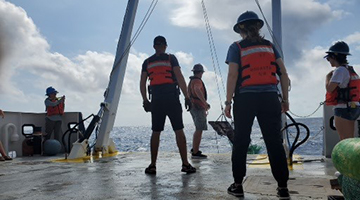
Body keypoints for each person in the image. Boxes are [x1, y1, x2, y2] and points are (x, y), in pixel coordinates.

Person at [224, 11, 290, 199]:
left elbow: (232, 75)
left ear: (240, 30)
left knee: (241, 141)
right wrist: (285, 99)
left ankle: (238, 185)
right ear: (258, 28)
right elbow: (283, 73)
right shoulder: (270, 46)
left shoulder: (236, 47)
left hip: (245, 99)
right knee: (274, 142)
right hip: (270, 98)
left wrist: (228, 102)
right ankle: (283, 187)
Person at [140, 35, 196, 174]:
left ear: (154, 47)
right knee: (179, 130)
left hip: (157, 101)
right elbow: (180, 77)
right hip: (172, 99)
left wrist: (145, 100)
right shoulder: (171, 58)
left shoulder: (147, 62)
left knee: (156, 132)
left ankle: (152, 165)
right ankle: (185, 164)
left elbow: (142, 83)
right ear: (165, 46)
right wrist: (187, 97)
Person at [325, 41, 360, 140]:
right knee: (350, 139)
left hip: (343, 108)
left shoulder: (340, 70)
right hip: (354, 107)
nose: (329, 61)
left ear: (334, 57)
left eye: (328, 58)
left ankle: (347, 156)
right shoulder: (349, 69)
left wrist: (327, 77)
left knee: (345, 140)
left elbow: (330, 89)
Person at [188, 64, 210, 159]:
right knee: (199, 129)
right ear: (201, 73)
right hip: (198, 107)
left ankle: (194, 149)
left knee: (198, 128)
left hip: (193, 107)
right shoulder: (197, 81)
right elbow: (197, 90)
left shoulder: (191, 81)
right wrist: (205, 103)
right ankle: (196, 152)